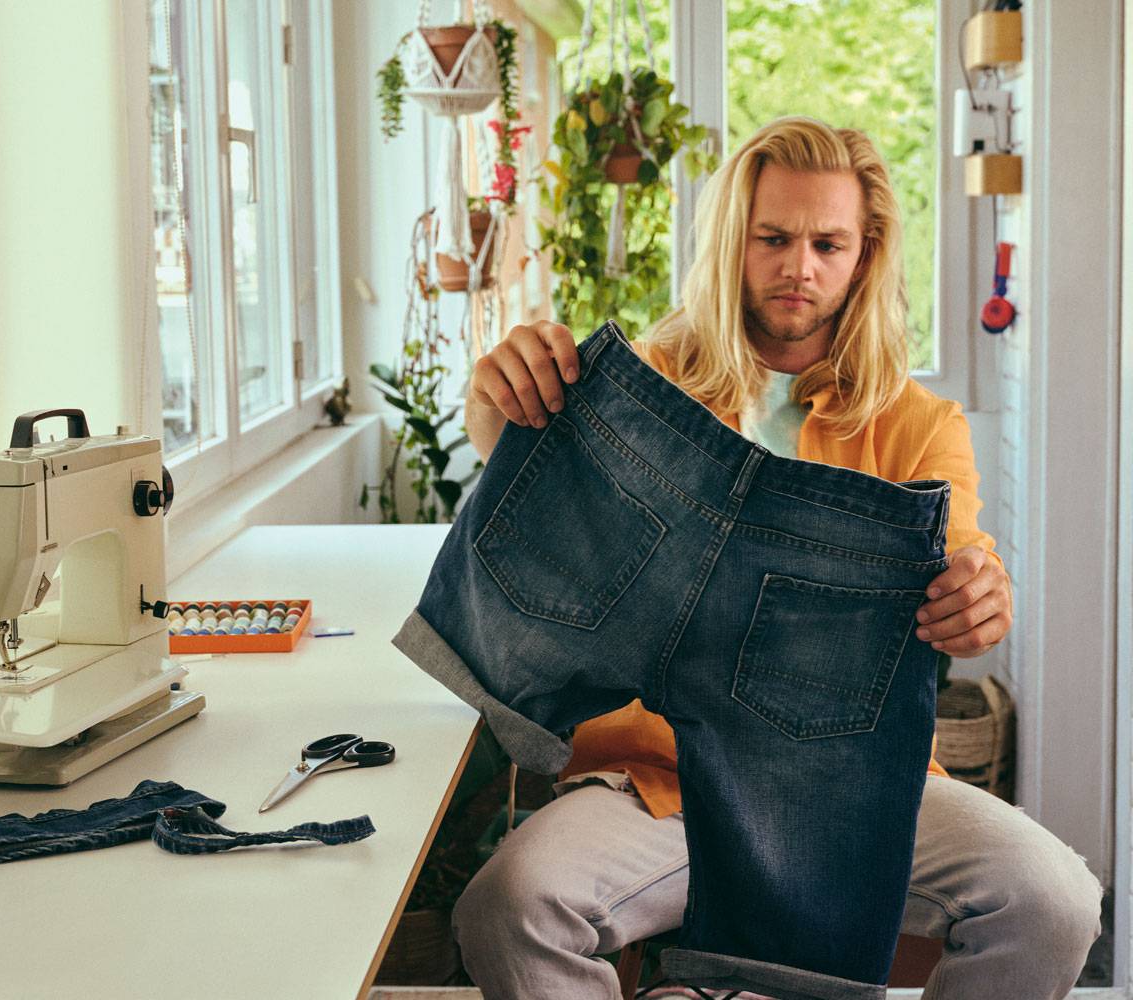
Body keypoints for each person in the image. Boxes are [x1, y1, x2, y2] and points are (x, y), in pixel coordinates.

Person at [452, 117, 1103, 999]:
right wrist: (495, 409)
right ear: (734, 242)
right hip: (656, 784)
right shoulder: (640, 392)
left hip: (858, 790)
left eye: (827, 243)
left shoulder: (920, 426)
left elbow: (966, 567)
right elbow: (529, 493)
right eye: (774, 238)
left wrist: (981, 599)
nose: (800, 266)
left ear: (864, 255)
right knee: (509, 905)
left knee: (1056, 900)